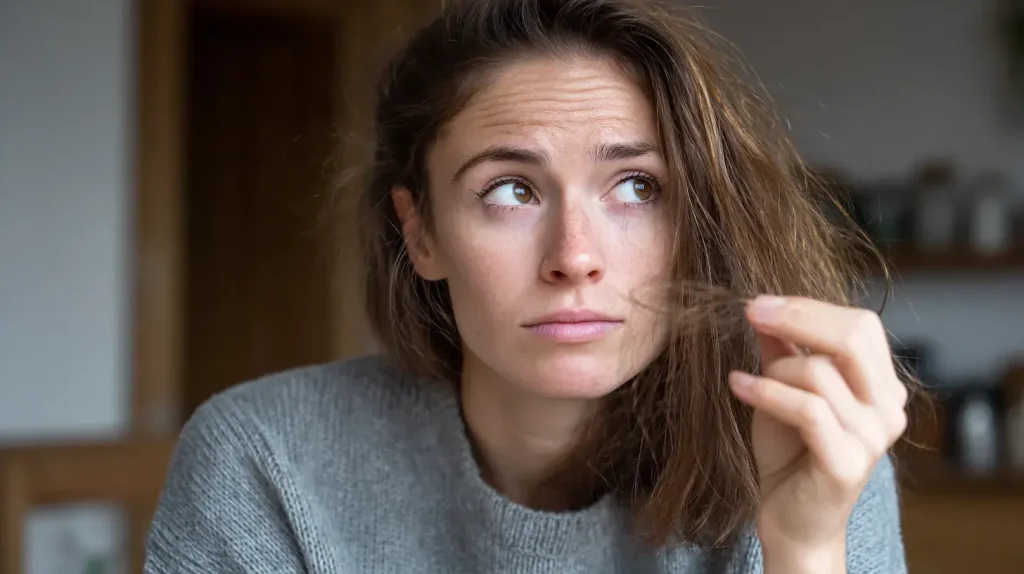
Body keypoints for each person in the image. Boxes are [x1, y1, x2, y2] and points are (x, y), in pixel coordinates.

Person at [144, 0, 912, 572]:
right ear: (421, 233)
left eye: (638, 188)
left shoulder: (814, 455)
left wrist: (805, 546)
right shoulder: (265, 462)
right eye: (510, 190)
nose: (575, 257)